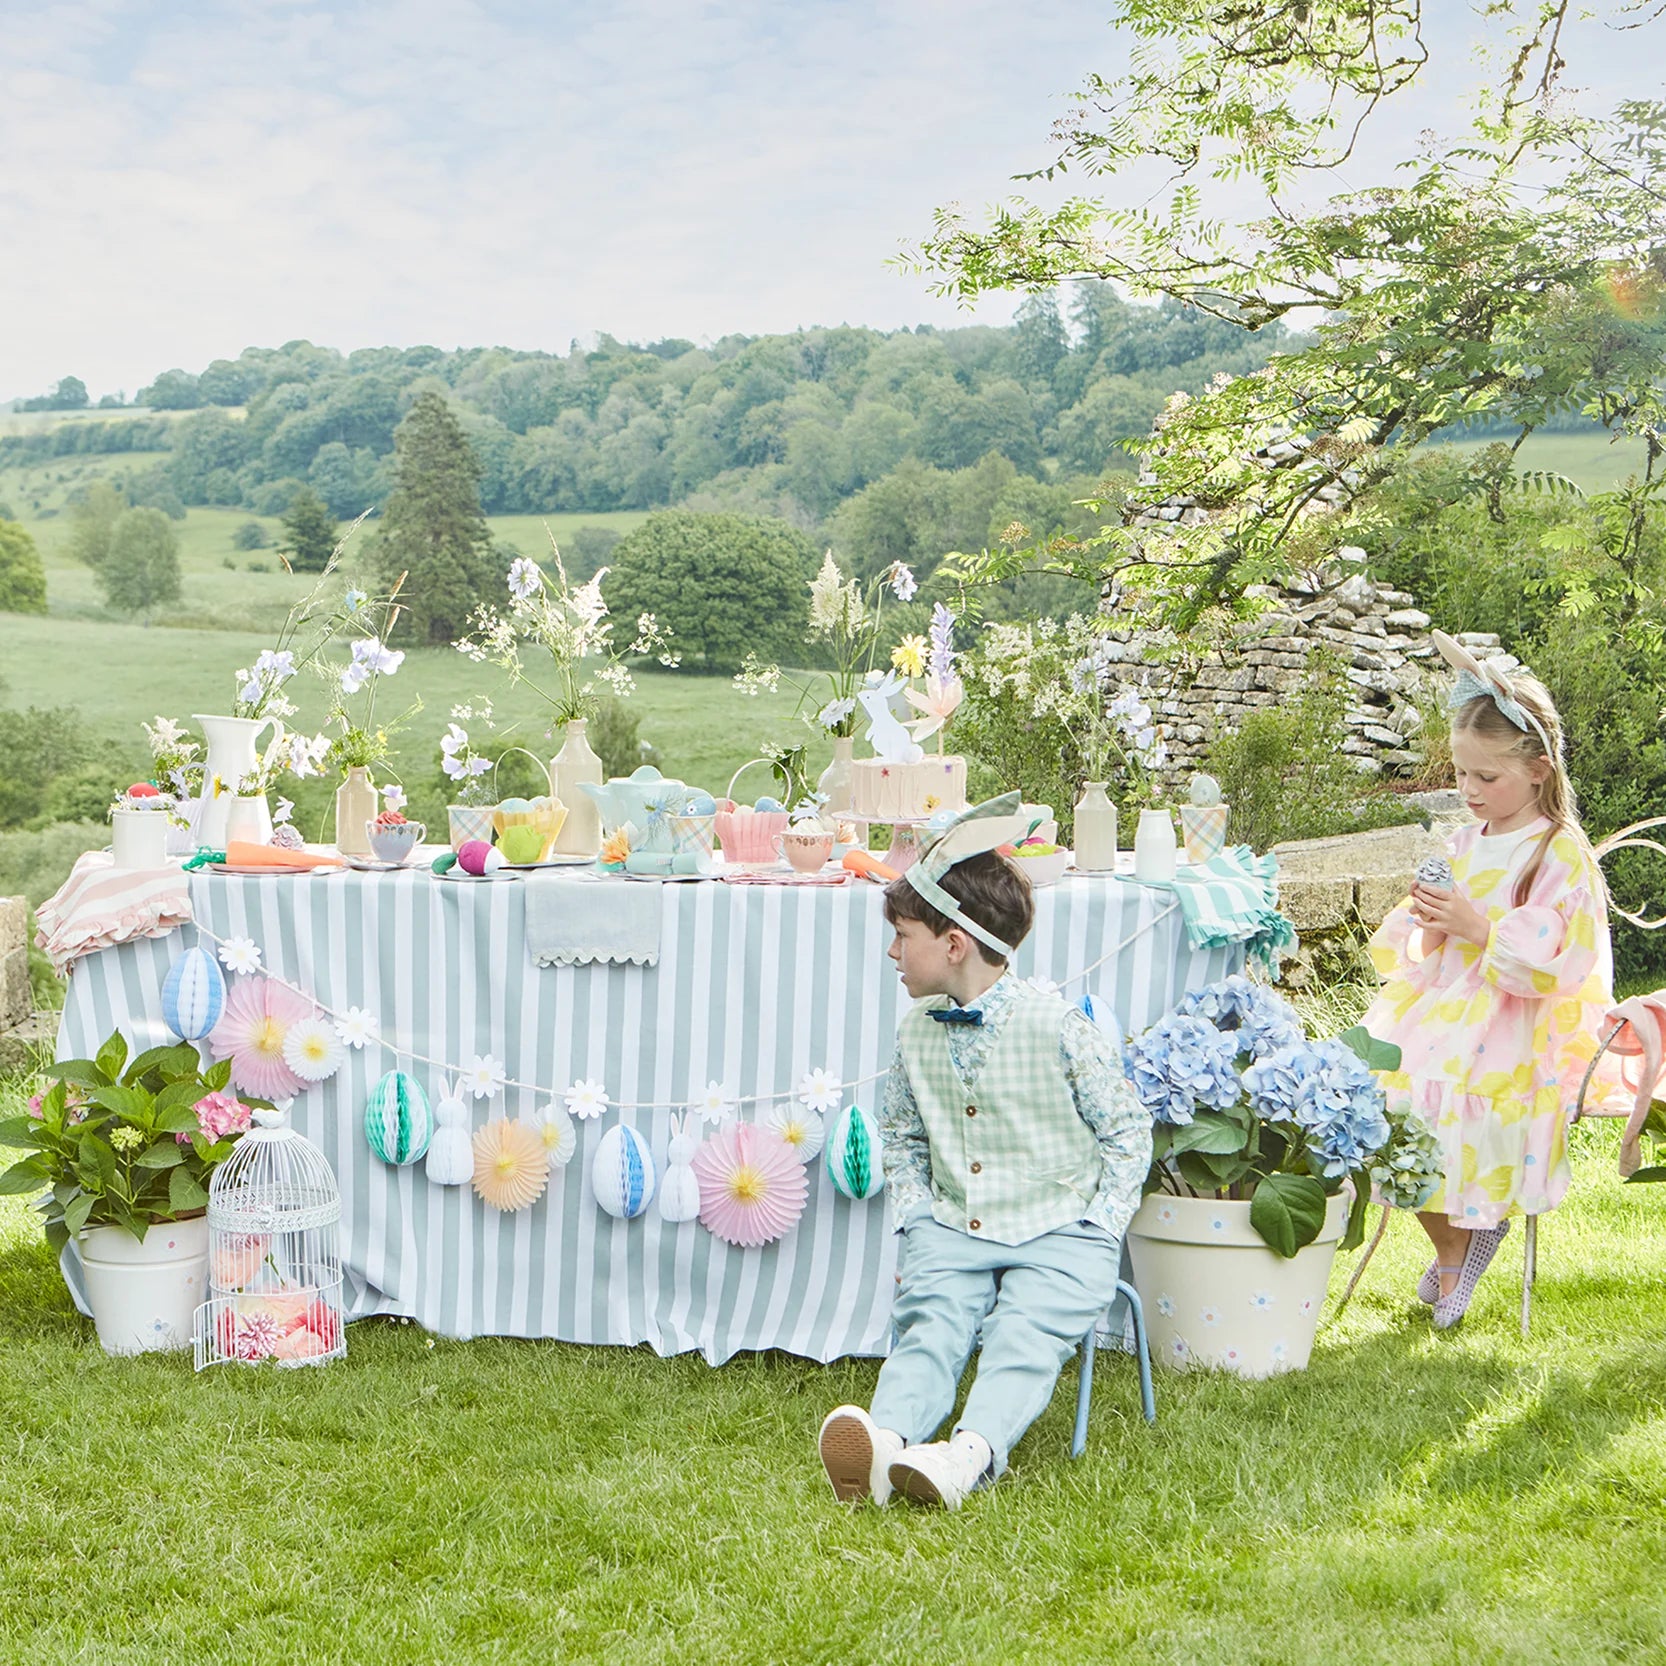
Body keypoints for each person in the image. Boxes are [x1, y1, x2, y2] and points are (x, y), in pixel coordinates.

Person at [817, 794, 1150, 1510]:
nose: (892, 952)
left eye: (903, 936)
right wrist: (916, 1216)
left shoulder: (1058, 1027)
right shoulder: (915, 1032)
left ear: (954, 944)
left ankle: (967, 1456)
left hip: (1061, 1227)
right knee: (931, 1316)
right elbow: (902, 1135)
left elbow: (1127, 1132)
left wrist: (1101, 1224)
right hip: (954, 1222)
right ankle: (886, 1443)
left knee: (1023, 1330)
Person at [1363, 632, 1615, 1329]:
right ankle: (1456, 1243)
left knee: (1453, 1096)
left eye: (1487, 778)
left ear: (1538, 770)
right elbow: (1417, 941)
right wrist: (1432, 923)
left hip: (1514, 1024)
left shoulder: (1557, 853)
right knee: (1380, 1097)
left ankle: (1460, 1252)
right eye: (1462, 774)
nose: (1469, 791)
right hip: (1442, 1008)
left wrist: (1482, 928)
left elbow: (1565, 964)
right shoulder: (1463, 843)